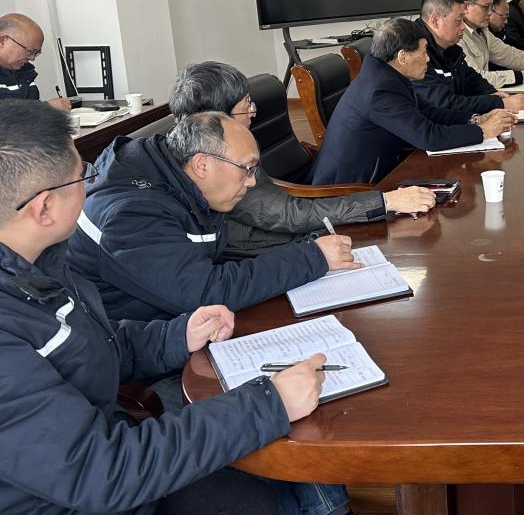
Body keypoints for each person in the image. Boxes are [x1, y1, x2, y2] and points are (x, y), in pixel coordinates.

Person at [0, 99, 348, 515]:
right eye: (82, 177)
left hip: (109, 449)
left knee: (278, 466)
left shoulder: (40, 262)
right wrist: (267, 404)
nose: (90, 186)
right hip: (82, 490)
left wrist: (175, 336)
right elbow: (98, 472)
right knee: (265, 487)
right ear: (43, 208)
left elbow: (93, 345)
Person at [66, 111, 360, 321]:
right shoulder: (132, 214)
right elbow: (204, 292)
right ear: (202, 164)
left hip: (180, 321)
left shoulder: (176, 176)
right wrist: (312, 258)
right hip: (137, 353)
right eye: (247, 169)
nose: (252, 182)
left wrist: (304, 250)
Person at [169, 61, 438, 256]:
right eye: (246, 105)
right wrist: (386, 201)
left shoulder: (222, 145)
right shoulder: (219, 164)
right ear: (217, 118)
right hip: (272, 255)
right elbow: (289, 215)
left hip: (291, 237)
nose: (253, 112)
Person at [310, 17, 515, 184]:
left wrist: (476, 119)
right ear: (402, 57)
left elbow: (429, 112)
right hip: (354, 188)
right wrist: (483, 131)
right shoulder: (381, 90)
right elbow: (429, 137)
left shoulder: (388, 74)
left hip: (385, 170)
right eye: (423, 51)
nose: (428, 59)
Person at [414, 0, 524, 113]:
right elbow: (444, 104)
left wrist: (493, 94)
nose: (462, 27)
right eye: (458, 20)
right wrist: (499, 103)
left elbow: (470, 78)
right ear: (435, 21)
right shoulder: (415, 52)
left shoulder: (451, 47)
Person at [0, 13, 72, 110]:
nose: (32, 58)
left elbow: (28, 112)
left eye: (36, 53)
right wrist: (45, 108)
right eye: (30, 51)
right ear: (2, 41)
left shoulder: (25, 73)